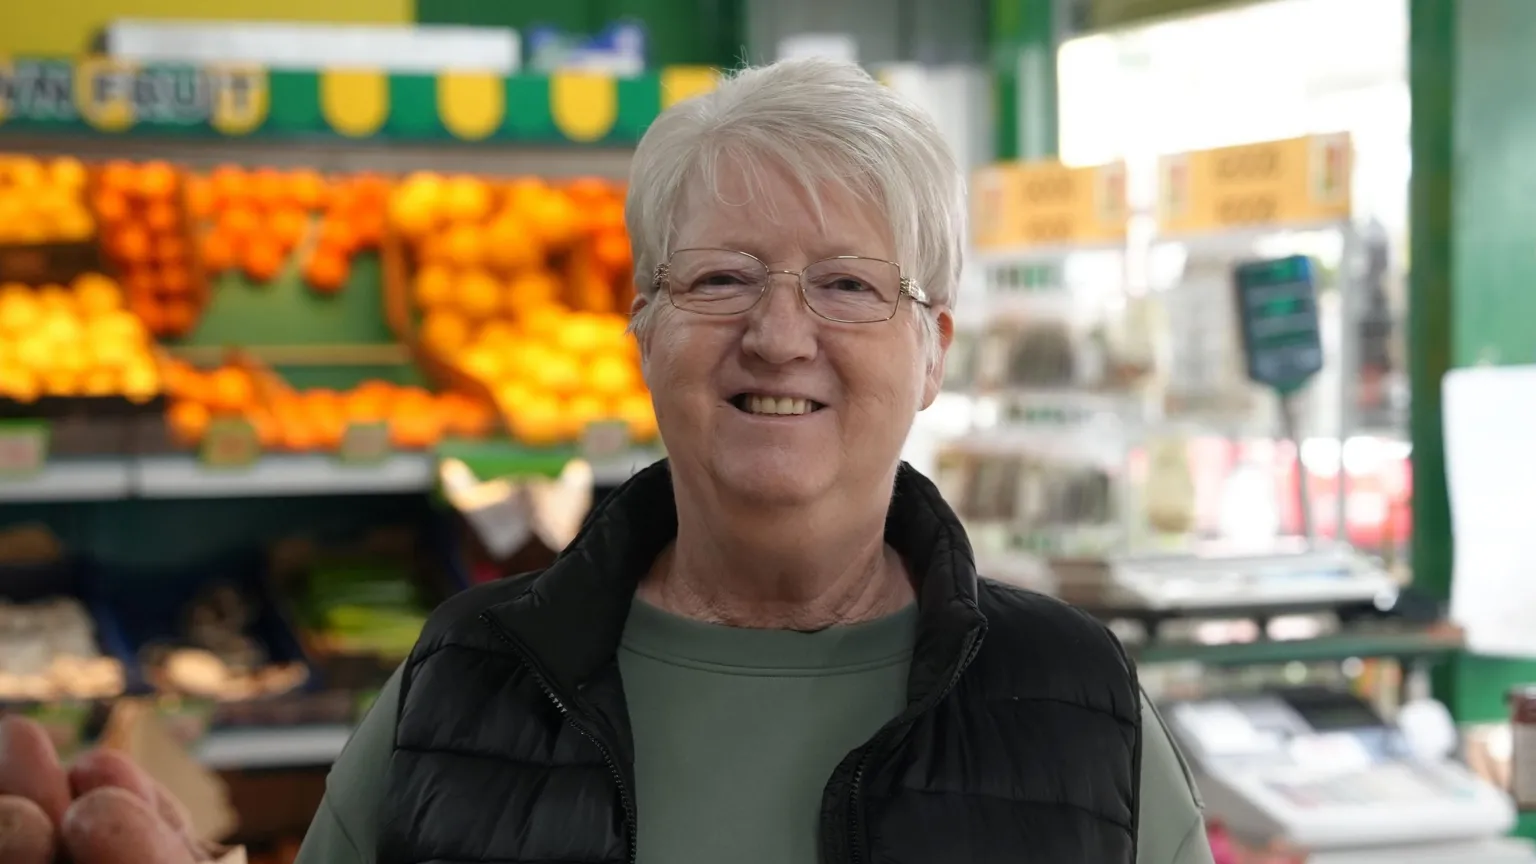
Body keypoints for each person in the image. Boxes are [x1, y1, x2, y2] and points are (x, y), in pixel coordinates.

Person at [0, 58, 1214, 864]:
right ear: (643, 329)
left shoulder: (1076, 706)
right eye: (722, 277)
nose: (778, 333)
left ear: (933, 348)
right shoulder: (462, 683)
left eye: (847, 284)